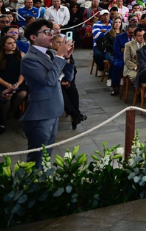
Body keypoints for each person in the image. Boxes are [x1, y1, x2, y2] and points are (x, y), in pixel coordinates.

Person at [20, 19, 70, 167]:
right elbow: (49, 81)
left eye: (52, 32)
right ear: (33, 37)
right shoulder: (29, 59)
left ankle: (42, 184)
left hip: (53, 109)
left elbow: (67, 76)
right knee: (36, 159)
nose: (51, 35)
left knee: (47, 155)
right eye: (46, 32)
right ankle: (33, 187)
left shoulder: (52, 53)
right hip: (40, 113)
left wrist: (66, 58)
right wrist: (60, 57)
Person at [52, 34, 86, 129]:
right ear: (52, 43)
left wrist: (67, 59)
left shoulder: (67, 53)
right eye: (59, 42)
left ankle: (75, 116)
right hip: (54, 81)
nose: (61, 45)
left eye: (63, 42)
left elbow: (70, 73)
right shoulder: (49, 54)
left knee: (73, 91)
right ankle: (76, 115)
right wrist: (60, 82)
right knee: (62, 93)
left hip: (65, 79)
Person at [0, 34, 27, 134]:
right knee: (5, 96)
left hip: (18, 82)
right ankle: (3, 120)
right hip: (3, 82)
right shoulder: (0, 57)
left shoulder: (21, 55)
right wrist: (7, 85)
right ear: (3, 45)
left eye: (14, 42)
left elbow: (23, 72)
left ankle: (11, 113)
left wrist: (18, 84)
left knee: (22, 94)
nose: (13, 45)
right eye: (9, 43)